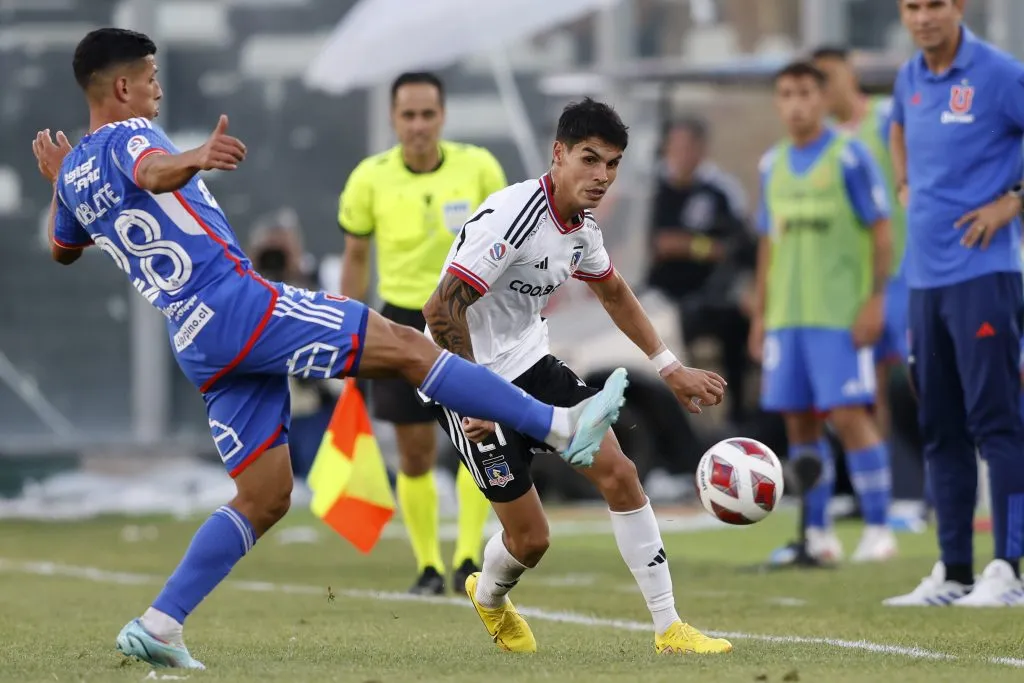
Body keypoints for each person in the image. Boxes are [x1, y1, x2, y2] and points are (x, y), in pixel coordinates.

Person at [33, 28, 631, 669]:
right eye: (150, 76)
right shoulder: (132, 137)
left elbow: (63, 249)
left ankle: (161, 621)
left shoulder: (74, 174)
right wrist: (195, 157)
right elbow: (151, 172)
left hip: (195, 338)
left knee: (264, 496)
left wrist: (62, 181)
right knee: (409, 345)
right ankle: (560, 424)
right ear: (121, 86)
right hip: (240, 306)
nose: (157, 87)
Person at [422, 97, 732, 655]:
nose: (601, 176)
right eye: (590, 159)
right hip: (461, 375)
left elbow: (613, 292)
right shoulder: (514, 218)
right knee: (531, 540)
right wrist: (470, 394)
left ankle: (670, 629)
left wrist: (672, 367)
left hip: (531, 363)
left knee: (619, 472)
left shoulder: (581, 228)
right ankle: (488, 595)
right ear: (558, 154)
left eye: (612, 164)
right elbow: (441, 311)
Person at [338, 72, 505, 595]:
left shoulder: (478, 167)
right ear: (393, 119)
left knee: (476, 440)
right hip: (399, 322)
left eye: (427, 114)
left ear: (443, 117)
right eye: (408, 115)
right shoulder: (369, 178)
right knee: (414, 452)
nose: (418, 126)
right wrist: (347, 324)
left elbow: (508, 242)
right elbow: (357, 256)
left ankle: (468, 557)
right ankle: (429, 566)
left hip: (466, 318)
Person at [883, 0, 1024, 607]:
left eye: (935, 4)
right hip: (925, 282)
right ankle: (955, 571)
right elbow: (896, 125)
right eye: (912, 6)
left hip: (984, 277)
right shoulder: (909, 77)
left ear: (959, 7)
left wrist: (1011, 200)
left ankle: (1010, 569)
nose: (923, 17)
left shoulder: (998, 73)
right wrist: (905, 181)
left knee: (996, 423)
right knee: (939, 427)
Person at [749, 61, 895, 564]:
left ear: (821, 97)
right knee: (799, 423)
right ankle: (818, 533)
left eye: (805, 93)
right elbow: (769, 241)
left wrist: (876, 299)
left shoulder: (849, 155)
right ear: (777, 102)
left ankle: (879, 527)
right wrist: (760, 315)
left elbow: (881, 228)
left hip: (839, 315)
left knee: (850, 415)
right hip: (787, 319)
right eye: (786, 94)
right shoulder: (773, 164)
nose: (796, 104)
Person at [808, 45, 905, 551]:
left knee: (917, 380)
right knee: (869, 390)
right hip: (849, 287)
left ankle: (915, 496)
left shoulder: (886, 119)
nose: (825, 86)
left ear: (850, 74)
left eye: (829, 75)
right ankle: (877, 503)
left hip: (903, 273)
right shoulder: (820, 143)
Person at [646, 116, 755, 426]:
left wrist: (691, 246)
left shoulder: (719, 191)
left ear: (700, 149)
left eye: (687, 147)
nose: (679, 154)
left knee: (735, 324)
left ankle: (736, 415)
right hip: (657, 294)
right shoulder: (652, 190)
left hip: (708, 293)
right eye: (674, 147)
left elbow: (736, 247)